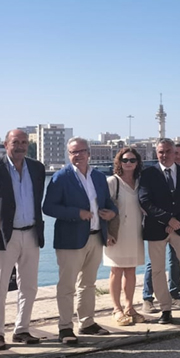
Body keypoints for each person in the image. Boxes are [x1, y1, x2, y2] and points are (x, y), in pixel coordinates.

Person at [43, 137, 117, 344]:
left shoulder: (99, 177)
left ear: (89, 153)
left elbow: (109, 203)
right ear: (69, 154)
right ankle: (65, 327)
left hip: (95, 237)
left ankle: (87, 323)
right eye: (74, 152)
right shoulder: (61, 177)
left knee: (89, 284)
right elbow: (48, 207)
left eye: (82, 151)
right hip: (70, 240)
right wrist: (77, 213)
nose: (78, 155)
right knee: (67, 286)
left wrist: (111, 213)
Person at [0, 129, 45, 349]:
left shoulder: (37, 168)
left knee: (29, 286)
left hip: (31, 233)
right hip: (4, 235)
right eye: (15, 142)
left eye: (24, 142)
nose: (20, 146)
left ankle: (22, 330)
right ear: (5, 144)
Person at [139, 138, 180, 324]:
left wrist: (179, 222)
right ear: (156, 153)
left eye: (168, 151)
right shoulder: (148, 174)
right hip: (156, 229)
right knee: (158, 271)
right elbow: (145, 201)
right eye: (161, 152)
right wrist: (168, 219)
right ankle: (165, 310)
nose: (165, 155)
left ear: (175, 152)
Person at [104, 148, 146, 326]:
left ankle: (129, 307)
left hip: (135, 232)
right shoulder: (113, 182)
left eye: (132, 160)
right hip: (117, 233)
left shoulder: (140, 183)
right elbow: (103, 208)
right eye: (125, 160)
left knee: (131, 270)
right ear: (119, 162)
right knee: (116, 270)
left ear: (137, 163)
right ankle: (116, 309)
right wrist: (106, 233)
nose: (128, 163)